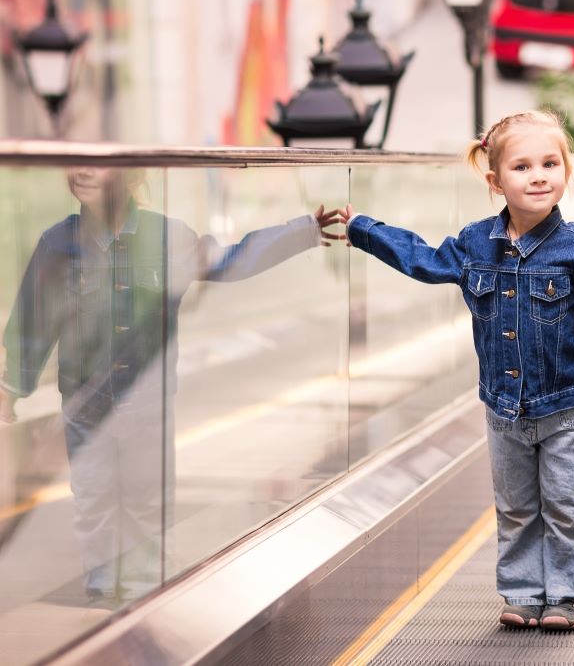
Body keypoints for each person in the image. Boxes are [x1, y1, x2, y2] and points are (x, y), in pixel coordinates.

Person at [340, 110, 574, 631]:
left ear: (566, 173)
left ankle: (568, 596)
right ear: (495, 181)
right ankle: (524, 593)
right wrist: (362, 229)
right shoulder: (474, 244)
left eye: (550, 164)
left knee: (567, 506)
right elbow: (423, 258)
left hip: (568, 409)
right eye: (523, 166)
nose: (538, 176)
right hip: (504, 411)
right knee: (515, 508)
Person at [0, 165, 340, 606]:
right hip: (84, 407)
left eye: (97, 161)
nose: (81, 170)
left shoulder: (167, 237)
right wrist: (10, 388)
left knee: (147, 506)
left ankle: (145, 600)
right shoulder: (57, 244)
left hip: (147, 405)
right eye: (73, 160)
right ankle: (102, 596)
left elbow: (231, 260)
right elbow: (33, 321)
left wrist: (302, 232)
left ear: (130, 172)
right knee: (93, 504)